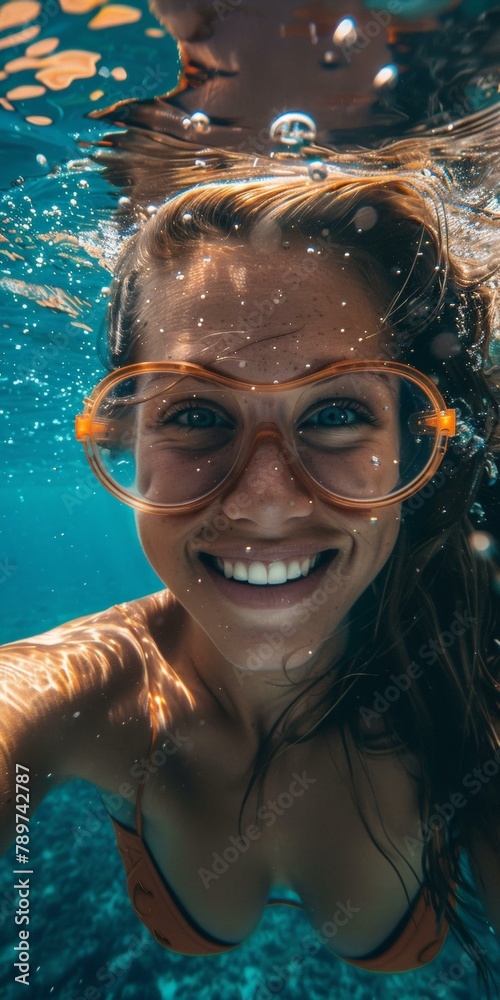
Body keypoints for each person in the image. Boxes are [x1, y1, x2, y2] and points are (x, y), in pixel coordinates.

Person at [1, 148, 499, 990]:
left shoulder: (470, 679)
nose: (266, 500)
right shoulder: (75, 692)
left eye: (338, 411)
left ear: (409, 445)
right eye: (195, 411)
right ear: (126, 439)